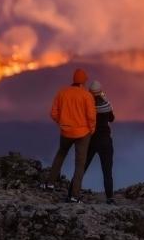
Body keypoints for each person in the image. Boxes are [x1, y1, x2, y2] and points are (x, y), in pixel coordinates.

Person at [45, 68, 96, 203]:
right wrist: (92, 129)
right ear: (83, 81)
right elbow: (91, 116)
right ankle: (74, 196)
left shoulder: (62, 93)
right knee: (80, 165)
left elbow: (53, 113)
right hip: (83, 133)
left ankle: (50, 183)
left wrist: (62, 123)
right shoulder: (87, 96)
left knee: (60, 155)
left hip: (66, 131)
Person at [84, 80, 116, 204]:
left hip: (92, 141)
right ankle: (110, 198)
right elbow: (112, 119)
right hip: (106, 141)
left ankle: (72, 193)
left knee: (83, 167)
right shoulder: (106, 104)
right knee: (107, 171)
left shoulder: (88, 105)